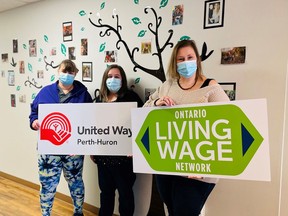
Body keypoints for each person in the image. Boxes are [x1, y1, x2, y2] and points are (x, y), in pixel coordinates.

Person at [144, 40, 230, 216]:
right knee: (173, 210)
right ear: (175, 63)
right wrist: (156, 102)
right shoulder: (167, 86)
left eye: (189, 57)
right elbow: (144, 109)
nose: (185, 62)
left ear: (197, 59)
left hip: (197, 171)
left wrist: (207, 166)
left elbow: (229, 125)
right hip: (167, 164)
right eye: (180, 59)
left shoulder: (211, 87)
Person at [29, 59, 92, 216]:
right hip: (49, 150)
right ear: (58, 72)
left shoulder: (83, 94)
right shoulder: (45, 92)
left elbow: (91, 119)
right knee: (47, 185)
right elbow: (34, 112)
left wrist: (83, 144)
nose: (67, 75)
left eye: (71, 72)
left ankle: (78, 212)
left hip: (74, 150)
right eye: (64, 71)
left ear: (76, 74)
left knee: (76, 183)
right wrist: (34, 121)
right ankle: (46, 213)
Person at [90, 64, 143, 216]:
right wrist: (93, 148)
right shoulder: (99, 100)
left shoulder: (131, 98)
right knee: (105, 194)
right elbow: (93, 127)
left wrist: (135, 148)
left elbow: (142, 123)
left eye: (117, 76)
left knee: (125, 195)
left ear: (123, 79)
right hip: (103, 157)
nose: (112, 79)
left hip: (124, 159)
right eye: (110, 76)